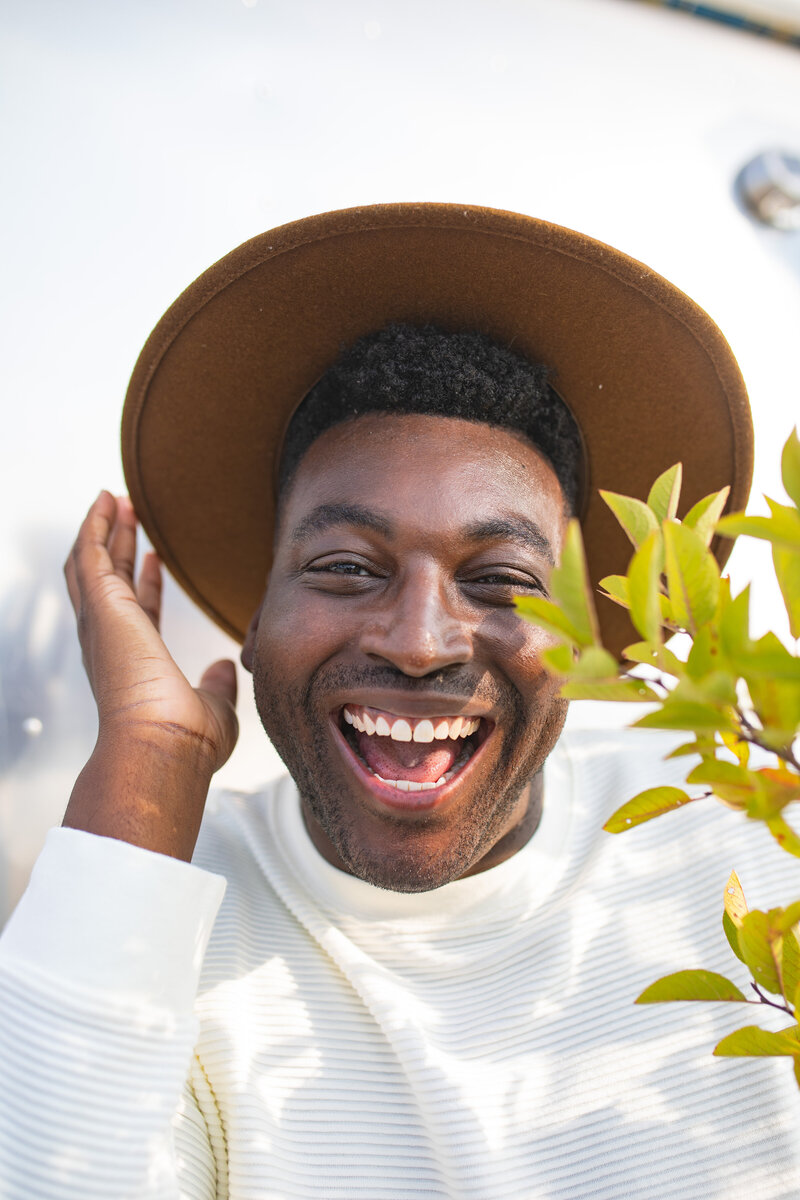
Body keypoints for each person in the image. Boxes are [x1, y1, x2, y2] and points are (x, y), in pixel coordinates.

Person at [0, 204, 798, 1199]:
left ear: (589, 633)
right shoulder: (150, 912)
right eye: (344, 566)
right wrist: (149, 759)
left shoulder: (745, 825)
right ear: (259, 616)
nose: (419, 642)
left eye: (503, 581)